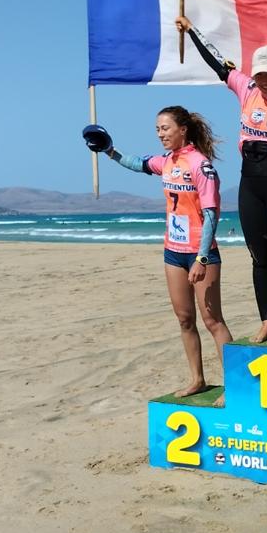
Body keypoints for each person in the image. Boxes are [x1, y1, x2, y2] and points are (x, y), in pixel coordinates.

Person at [175, 15, 267, 345]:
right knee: (259, 258)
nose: (264, 81)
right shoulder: (246, 88)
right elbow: (217, 62)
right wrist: (192, 29)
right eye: (260, 74)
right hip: (249, 186)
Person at [93, 106, 233, 404]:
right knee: (184, 319)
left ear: (183, 129)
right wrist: (110, 151)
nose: (160, 134)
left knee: (212, 320)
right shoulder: (167, 162)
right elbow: (137, 163)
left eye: (165, 128)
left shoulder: (200, 165)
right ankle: (197, 379)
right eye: (157, 129)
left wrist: (202, 257)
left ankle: (234, 386)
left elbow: (211, 214)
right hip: (173, 252)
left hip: (200, 254)